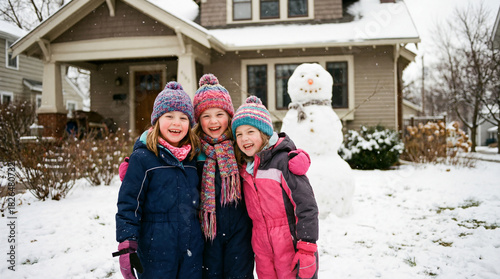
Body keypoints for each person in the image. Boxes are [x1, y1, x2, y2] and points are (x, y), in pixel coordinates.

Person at [115, 82, 203, 279]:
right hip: (155, 249)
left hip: (192, 249)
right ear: (156, 121)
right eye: (169, 116)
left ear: (190, 124)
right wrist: (126, 242)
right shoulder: (143, 159)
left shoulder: (193, 158)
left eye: (183, 118)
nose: (176, 123)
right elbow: (129, 204)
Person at [231, 96, 319, 279]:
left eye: (250, 131)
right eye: (238, 134)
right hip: (263, 251)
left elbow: (306, 206)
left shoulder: (283, 163)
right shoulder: (244, 169)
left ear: (264, 133)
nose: (244, 138)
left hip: (291, 247)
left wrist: (307, 248)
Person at [192, 74, 254, 278]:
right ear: (198, 120)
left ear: (229, 115)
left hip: (240, 231)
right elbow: (163, 146)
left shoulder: (241, 146)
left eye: (219, 114)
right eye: (206, 115)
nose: (213, 121)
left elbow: (268, 147)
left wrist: (289, 152)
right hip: (207, 232)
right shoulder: (192, 150)